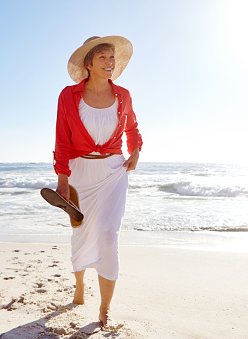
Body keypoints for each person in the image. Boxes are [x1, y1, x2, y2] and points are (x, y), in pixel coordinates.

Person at [53, 36, 142, 327]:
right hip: (80, 171)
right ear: (88, 63)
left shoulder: (124, 95)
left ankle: (104, 308)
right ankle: (79, 284)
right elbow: (62, 141)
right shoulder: (68, 96)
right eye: (103, 57)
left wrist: (136, 150)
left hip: (113, 173)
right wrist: (62, 179)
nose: (110, 63)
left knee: (107, 234)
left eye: (112, 58)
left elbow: (132, 127)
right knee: (81, 233)